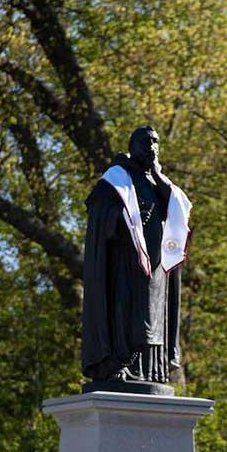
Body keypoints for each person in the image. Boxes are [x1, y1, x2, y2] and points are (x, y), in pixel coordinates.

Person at [81, 126, 191, 387]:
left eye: (156, 142)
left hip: (156, 267)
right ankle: (120, 364)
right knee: (127, 313)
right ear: (132, 146)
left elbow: (178, 211)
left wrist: (157, 176)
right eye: (146, 141)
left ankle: (152, 370)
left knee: (154, 316)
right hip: (124, 264)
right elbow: (98, 215)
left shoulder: (159, 183)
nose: (152, 147)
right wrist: (122, 221)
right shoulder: (115, 180)